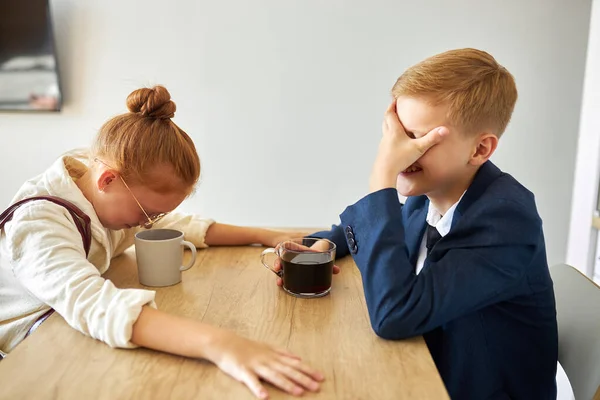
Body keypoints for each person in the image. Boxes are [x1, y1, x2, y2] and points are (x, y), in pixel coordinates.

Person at [0, 85, 322, 399]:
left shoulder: (104, 196)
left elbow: (180, 225)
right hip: (25, 348)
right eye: (147, 213)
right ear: (108, 179)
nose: (148, 224)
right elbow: (92, 304)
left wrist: (267, 236)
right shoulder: (39, 222)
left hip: (64, 323)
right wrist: (221, 344)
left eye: (155, 217)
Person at [283, 48, 558, 399]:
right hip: (423, 370)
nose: (398, 151)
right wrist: (327, 244)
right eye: (396, 135)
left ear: (479, 150)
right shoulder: (427, 195)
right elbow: (388, 221)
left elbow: (394, 316)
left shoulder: (506, 220)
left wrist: (381, 177)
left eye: (418, 139)